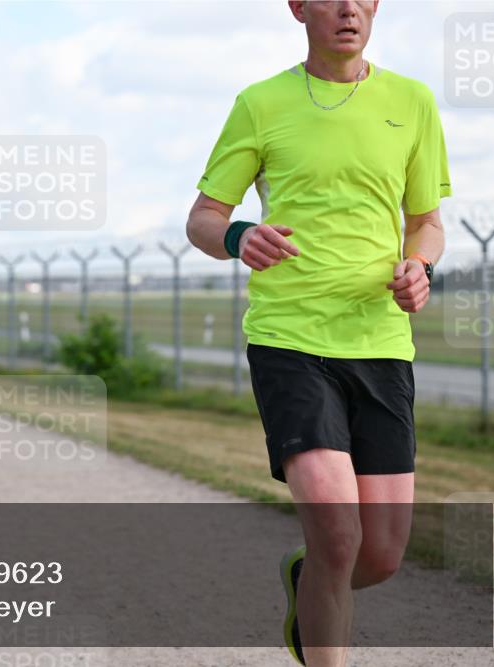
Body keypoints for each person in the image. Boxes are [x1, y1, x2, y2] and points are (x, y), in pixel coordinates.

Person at [185, 2, 449, 665]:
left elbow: (427, 220)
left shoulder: (412, 102)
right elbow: (203, 218)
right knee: (338, 532)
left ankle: (308, 580)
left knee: (380, 555)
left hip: (381, 344)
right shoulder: (261, 103)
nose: (347, 9)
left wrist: (419, 266)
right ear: (298, 7)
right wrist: (241, 235)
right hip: (290, 340)